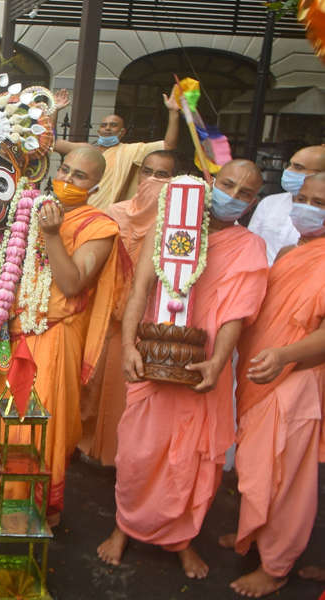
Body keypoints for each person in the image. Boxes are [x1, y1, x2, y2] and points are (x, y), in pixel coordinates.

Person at [98, 159, 269, 579]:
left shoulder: (249, 247)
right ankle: (125, 527)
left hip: (204, 366)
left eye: (245, 193)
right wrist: (129, 346)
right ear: (212, 182)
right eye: (228, 184)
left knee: (192, 464)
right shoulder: (171, 227)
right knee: (139, 453)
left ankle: (180, 539)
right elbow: (140, 289)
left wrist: (217, 360)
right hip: (154, 357)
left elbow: (237, 314)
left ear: (252, 203)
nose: (234, 195)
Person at [5, 146, 128, 526]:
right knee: (9, 425)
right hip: (17, 334)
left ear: (96, 185)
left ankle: (39, 509)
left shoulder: (100, 227)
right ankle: (8, 503)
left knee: (42, 428)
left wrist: (52, 235)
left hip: (56, 337)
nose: (68, 180)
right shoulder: (32, 209)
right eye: (66, 170)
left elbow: (73, 283)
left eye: (80, 177)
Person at [218, 173, 325, 598]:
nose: (307, 206)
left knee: (284, 479)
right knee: (257, 470)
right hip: (261, 376)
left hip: (297, 380)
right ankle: (255, 534)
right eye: (302, 198)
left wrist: (284, 355)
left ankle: (276, 566)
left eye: (319, 201)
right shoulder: (294, 251)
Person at [79, 150, 177, 465]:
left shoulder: (177, 223)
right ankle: (82, 442)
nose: (152, 180)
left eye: (162, 175)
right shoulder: (114, 212)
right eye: (147, 172)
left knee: (128, 391)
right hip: (104, 314)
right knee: (92, 383)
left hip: (147, 317)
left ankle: (121, 455)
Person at [54, 86, 180, 210]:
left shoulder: (131, 151)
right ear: (99, 131)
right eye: (104, 125)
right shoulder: (87, 150)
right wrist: (54, 110)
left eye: (113, 125)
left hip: (105, 216)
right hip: (75, 209)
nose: (108, 128)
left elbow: (168, 145)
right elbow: (52, 143)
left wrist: (173, 112)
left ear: (122, 132)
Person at [248, 145, 325, 264]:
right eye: (290, 165)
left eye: (298, 167)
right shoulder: (270, 203)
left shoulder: (319, 214)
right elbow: (251, 244)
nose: (289, 170)